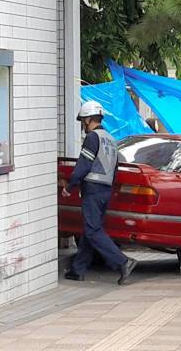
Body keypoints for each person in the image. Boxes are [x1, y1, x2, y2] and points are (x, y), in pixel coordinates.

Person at [62, 101, 137, 284]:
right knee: (91, 230)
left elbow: (84, 165)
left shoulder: (93, 138)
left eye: (83, 122)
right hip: (105, 191)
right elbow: (115, 168)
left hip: (93, 191)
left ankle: (123, 261)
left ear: (88, 119)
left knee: (93, 230)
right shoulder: (111, 140)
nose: (83, 126)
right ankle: (77, 270)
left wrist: (70, 185)